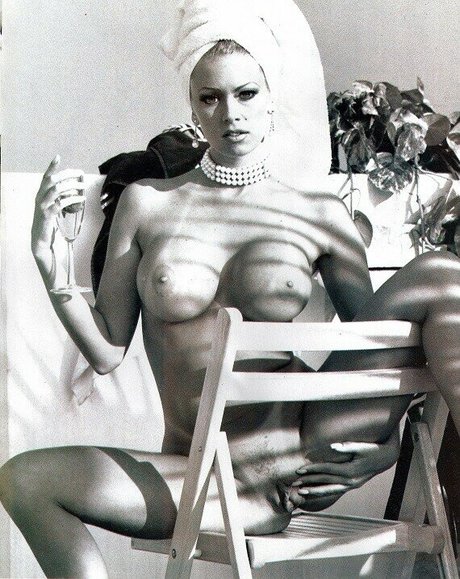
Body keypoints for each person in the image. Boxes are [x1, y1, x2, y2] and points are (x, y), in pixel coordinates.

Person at [1, 0, 460, 577]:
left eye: (246, 94)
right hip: (203, 479)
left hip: (304, 457)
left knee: (441, 273)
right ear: (192, 107)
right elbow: (108, 352)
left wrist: (386, 448)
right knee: (23, 479)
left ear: (271, 99)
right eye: (210, 98)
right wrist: (53, 269)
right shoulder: (147, 205)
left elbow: (381, 348)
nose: (230, 113)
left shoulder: (318, 213)